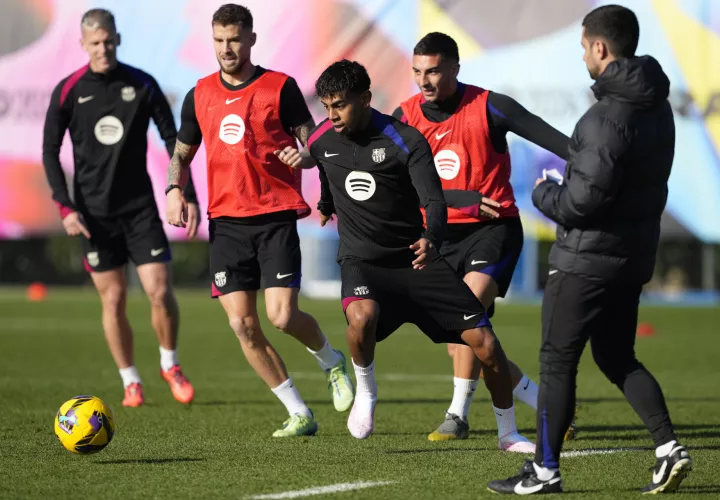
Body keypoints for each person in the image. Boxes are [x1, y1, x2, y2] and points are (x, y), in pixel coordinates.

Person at [488, 5, 692, 494]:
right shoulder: (657, 106)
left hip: (585, 260)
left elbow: (583, 202)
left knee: (557, 362)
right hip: (631, 256)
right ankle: (668, 447)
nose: (582, 55)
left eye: (583, 47)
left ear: (600, 48)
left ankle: (543, 472)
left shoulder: (606, 116)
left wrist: (543, 192)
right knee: (617, 356)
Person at [278, 59, 528, 446]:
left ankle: (508, 434)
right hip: (362, 262)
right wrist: (327, 203)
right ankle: (367, 391)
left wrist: (431, 237)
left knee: (487, 345)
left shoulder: (405, 140)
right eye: (326, 107)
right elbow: (327, 172)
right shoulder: (321, 138)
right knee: (362, 318)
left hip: (416, 260)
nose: (332, 116)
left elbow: (433, 198)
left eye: (340, 105)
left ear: (365, 98)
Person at [165, 3, 353, 438]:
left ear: (250, 39)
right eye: (218, 40)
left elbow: (316, 143)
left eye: (234, 39)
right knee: (242, 324)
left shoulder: (280, 87)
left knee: (282, 317)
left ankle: (332, 363)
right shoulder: (199, 94)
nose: (226, 48)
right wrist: (175, 190)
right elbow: (181, 153)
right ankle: (298, 412)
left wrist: (305, 157)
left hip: (273, 216)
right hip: (227, 223)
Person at [393, 32, 574, 449]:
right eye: (418, 71)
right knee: (468, 336)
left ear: (456, 67)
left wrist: (598, 161)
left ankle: (457, 415)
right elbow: (390, 175)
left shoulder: (490, 106)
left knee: (464, 314)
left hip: (493, 232)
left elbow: (556, 141)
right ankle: (546, 402)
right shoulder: (403, 117)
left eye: (434, 70)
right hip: (437, 237)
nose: (425, 80)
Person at [42, 8, 199, 408]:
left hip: (140, 209)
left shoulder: (142, 84)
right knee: (113, 300)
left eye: (108, 41)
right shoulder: (68, 91)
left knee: (160, 291)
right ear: (83, 44)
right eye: (94, 43)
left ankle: (171, 364)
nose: (103, 48)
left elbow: (174, 140)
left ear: (118, 39)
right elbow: (49, 150)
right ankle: (131, 380)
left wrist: (185, 192)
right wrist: (65, 207)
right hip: (93, 215)